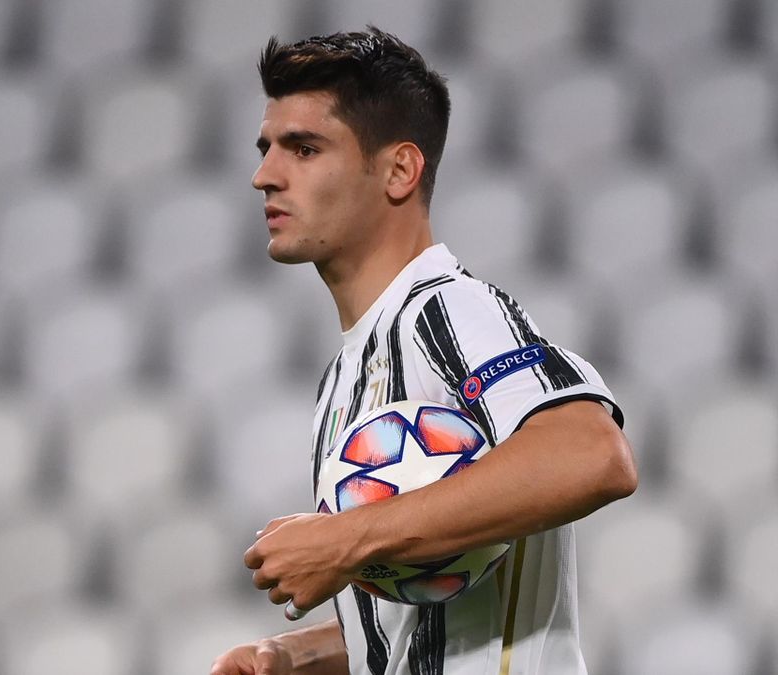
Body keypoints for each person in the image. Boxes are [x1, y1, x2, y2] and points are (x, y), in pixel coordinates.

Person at [210, 27, 637, 675]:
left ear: (400, 170)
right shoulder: (345, 374)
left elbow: (593, 454)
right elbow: (422, 608)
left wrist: (346, 537)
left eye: (304, 148)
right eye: (267, 149)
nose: (264, 176)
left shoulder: (446, 311)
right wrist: (289, 655)